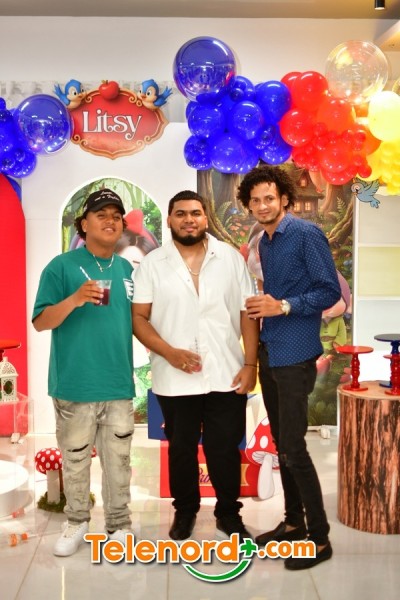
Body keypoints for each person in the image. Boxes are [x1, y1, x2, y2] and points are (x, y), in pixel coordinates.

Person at [132, 190, 259, 542]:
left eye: (195, 213)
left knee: (224, 447)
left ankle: (228, 513)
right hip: (174, 375)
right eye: (181, 213)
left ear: (205, 218)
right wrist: (169, 352)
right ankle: (185, 510)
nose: (189, 219)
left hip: (226, 371)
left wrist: (250, 363)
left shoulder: (229, 258)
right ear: (169, 219)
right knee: (181, 447)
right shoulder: (152, 264)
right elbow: (139, 318)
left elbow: (247, 312)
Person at [237, 165, 341, 570]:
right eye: (255, 200)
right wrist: (267, 302)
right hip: (270, 351)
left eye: (269, 198)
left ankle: (320, 538)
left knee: (294, 448)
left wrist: (283, 305)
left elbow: (329, 291)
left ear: (283, 199)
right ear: (249, 205)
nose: (263, 205)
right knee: (282, 445)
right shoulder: (264, 241)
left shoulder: (305, 234)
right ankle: (294, 523)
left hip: (296, 355)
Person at [32, 188, 135, 557]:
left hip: (118, 382)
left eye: (116, 216)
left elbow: (137, 321)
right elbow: (41, 322)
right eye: (101, 214)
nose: (110, 221)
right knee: (75, 460)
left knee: (119, 461)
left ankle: (119, 525)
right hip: (74, 384)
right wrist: (75, 299)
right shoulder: (61, 267)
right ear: (84, 224)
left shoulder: (126, 269)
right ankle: (76, 522)